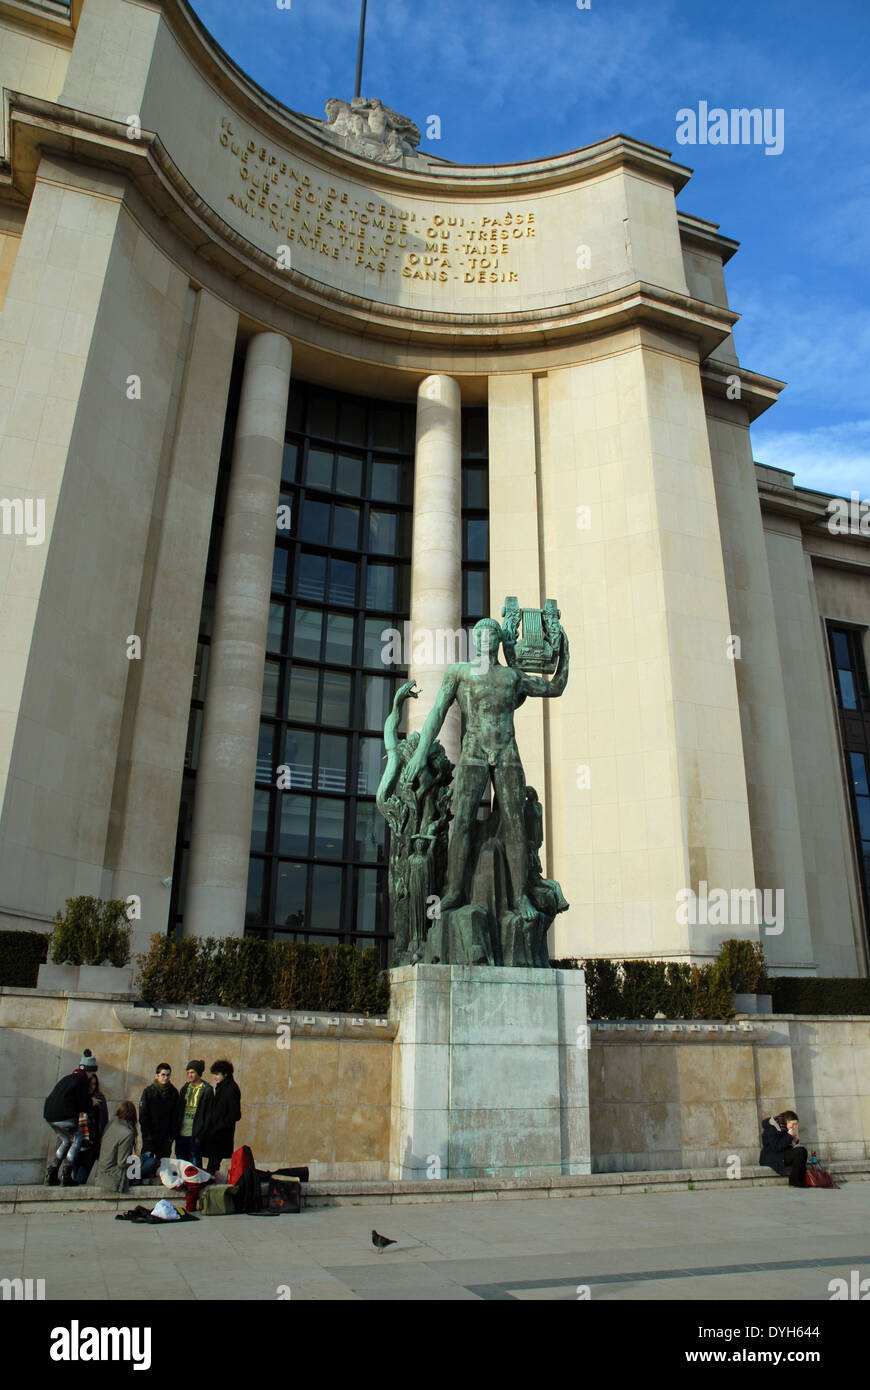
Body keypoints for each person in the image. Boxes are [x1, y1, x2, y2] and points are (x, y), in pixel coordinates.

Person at [402, 618, 569, 917]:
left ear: (498, 641)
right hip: (474, 752)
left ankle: (520, 897)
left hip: (507, 753)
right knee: (463, 820)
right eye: (479, 634)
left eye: (491, 635)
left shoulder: (512, 677)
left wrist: (563, 649)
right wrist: (419, 754)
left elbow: (555, 688)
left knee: (516, 824)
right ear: (473, 640)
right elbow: (437, 713)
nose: (484, 639)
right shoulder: (459, 673)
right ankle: (454, 891)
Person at [43, 1049, 98, 1186]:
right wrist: (92, 1103)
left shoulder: (68, 1078)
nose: (92, 1077)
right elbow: (82, 1102)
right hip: (64, 1115)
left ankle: (52, 1172)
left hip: (50, 1115)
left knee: (65, 1140)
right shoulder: (82, 1081)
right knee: (77, 1139)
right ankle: (66, 1174)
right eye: (92, 1074)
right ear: (89, 1071)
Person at [88, 1102, 138, 1193]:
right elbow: (122, 1162)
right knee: (150, 1163)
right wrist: (136, 1160)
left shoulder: (111, 1124)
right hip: (114, 1177)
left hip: (101, 1174)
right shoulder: (127, 1133)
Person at [203, 1060, 242, 1175]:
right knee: (213, 1161)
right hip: (217, 1130)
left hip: (221, 1132)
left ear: (225, 1074)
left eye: (217, 1074)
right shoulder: (222, 1087)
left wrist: (220, 1125)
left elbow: (235, 1114)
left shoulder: (231, 1088)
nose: (214, 1077)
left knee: (214, 1162)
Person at [72, 1072, 109, 1185]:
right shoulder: (77, 1098)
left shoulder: (99, 1099)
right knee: (75, 1176)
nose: (92, 1087)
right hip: (75, 1142)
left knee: (81, 1177)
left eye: (94, 1084)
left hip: (90, 1143)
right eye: (90, 1084)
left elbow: (103, 1122)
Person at [175, 1060, 213, 1168]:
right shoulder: (185, 1088)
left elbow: (208, 1115)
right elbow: (178, 1111)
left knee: (194, 1168)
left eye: (192, 1072)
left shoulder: (206, 1090)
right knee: (181, 1166)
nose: (189, 1075)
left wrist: (200, 1136)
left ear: (198, 1072)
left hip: (195, 1135)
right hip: (182, 1134)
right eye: (188, 1073)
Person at [139, 1063, 179, 1160]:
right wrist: (147, 1134)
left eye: (168, 1075)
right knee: (146, 1165)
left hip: (166, 1138)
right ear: (157, 1076)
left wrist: (170, 1137)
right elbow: (143, 1114)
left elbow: (176, 1116)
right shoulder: (148, 1091)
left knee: (163, 1167)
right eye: (163, 1075)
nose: (165, 1078)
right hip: (150, 1136)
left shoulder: (174, 1093)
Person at [760, 1109, 808, 1187]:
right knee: (799, 1152)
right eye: (793, 1124)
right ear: (787, 1121)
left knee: (803, 1151)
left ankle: (801, 1180)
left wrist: (795, 1140)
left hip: (781, 1153)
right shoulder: (771, 1128)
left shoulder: (784, 1128)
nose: (794, 1127)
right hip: (771, 1156)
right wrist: (789, 1136)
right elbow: (776, 1147)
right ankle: (794, 1180)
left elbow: (786, 1145)